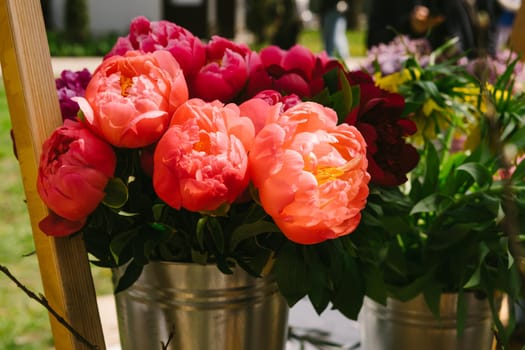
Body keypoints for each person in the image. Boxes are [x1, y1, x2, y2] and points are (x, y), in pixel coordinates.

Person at [367, 0, 500, 58]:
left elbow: (488, 28)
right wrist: (410, 27)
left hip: (454, 84)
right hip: (402, 83)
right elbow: (374, 41)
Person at [313, 0, 352, 64]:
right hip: (330, 10)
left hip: (334, 10)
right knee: (329, 37)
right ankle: (330, 57)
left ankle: (338, 57)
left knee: (335, 37)